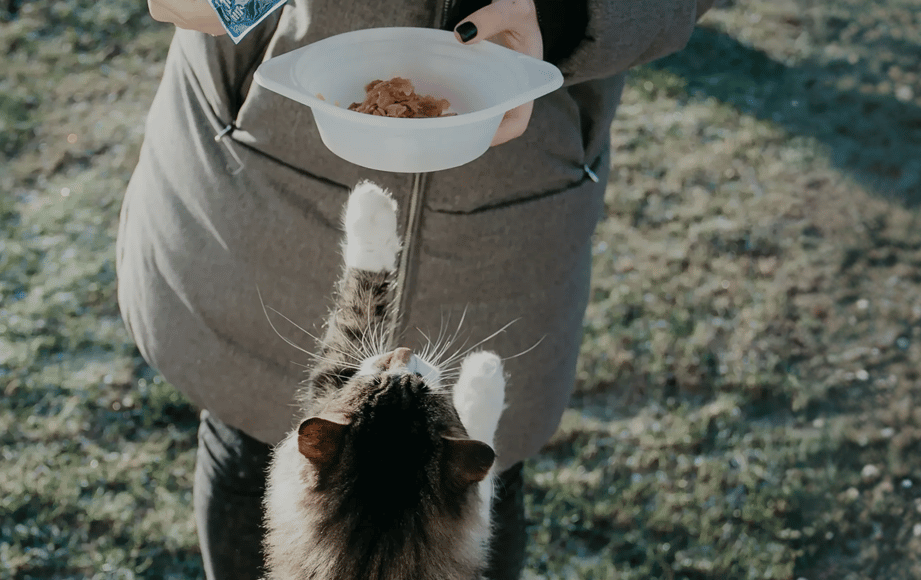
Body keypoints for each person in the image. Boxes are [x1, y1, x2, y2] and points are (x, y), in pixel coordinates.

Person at [120, 0, 713, 578]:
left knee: (476, 483)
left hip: (518, 212)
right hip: (266, 166)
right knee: (248, 436)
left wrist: (568, 14)